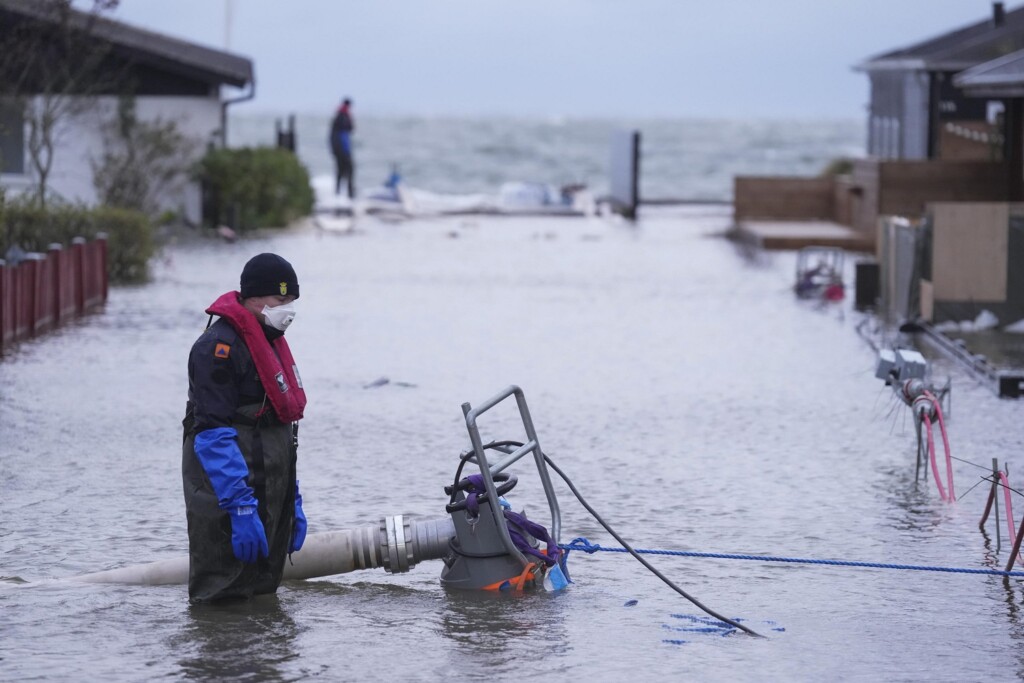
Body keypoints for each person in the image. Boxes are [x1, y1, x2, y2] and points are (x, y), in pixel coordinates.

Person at [181, 253, 308, 603]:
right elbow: (211, 434)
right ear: (253, 297)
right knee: (223, 594)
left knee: (265, 598)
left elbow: (280, 429)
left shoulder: (267, 340)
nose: (289, 310)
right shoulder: (217, 349)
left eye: (292, 301)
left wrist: (291, 499)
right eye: (280, 300)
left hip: (270, 490)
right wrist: (239, 506)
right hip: (230, 494)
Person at [329, 97, 355, 198]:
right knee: (349, 170)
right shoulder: (343, 116)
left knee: (340, 171)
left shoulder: (339, 115)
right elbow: (350, 129)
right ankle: (349, 193)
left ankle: (338, 192)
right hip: (343, 149)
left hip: (339, 149)